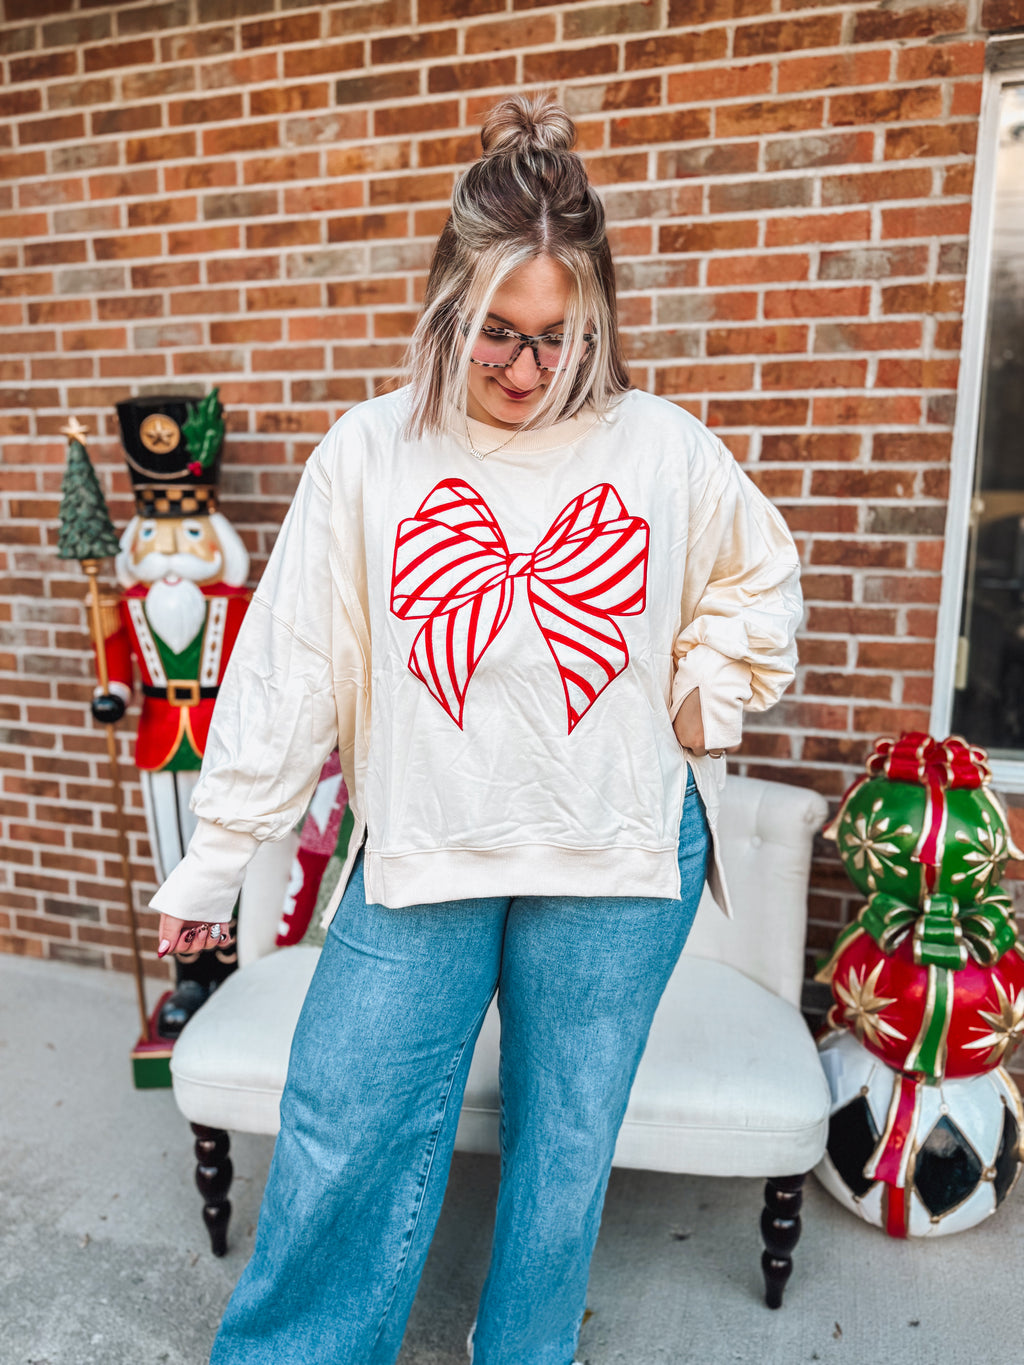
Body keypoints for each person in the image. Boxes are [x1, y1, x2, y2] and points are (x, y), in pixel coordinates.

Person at [151, 93, 802, 1365]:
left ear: (595, 320)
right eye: (497, 333)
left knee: (564, 1154)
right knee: (343, 1123)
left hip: (619, 850)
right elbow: (293, 662)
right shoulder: (370, 454)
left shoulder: (662, 448)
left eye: (557, 339)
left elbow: (759, 578)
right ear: (447, 304)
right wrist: (216, 861)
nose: (524, 371)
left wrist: (705, 688)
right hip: (426, 847)